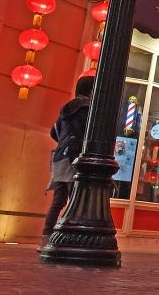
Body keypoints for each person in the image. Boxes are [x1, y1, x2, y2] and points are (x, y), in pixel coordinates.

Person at [41, 75, 94, 249]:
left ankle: (47, 237)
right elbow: (88, 134)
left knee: (59, 199)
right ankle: (71, 237)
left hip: (60, 157)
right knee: (75, 199)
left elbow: (54, 132)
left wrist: (64, 143)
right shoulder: (86, 109)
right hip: (74, 157)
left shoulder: (67, 109)